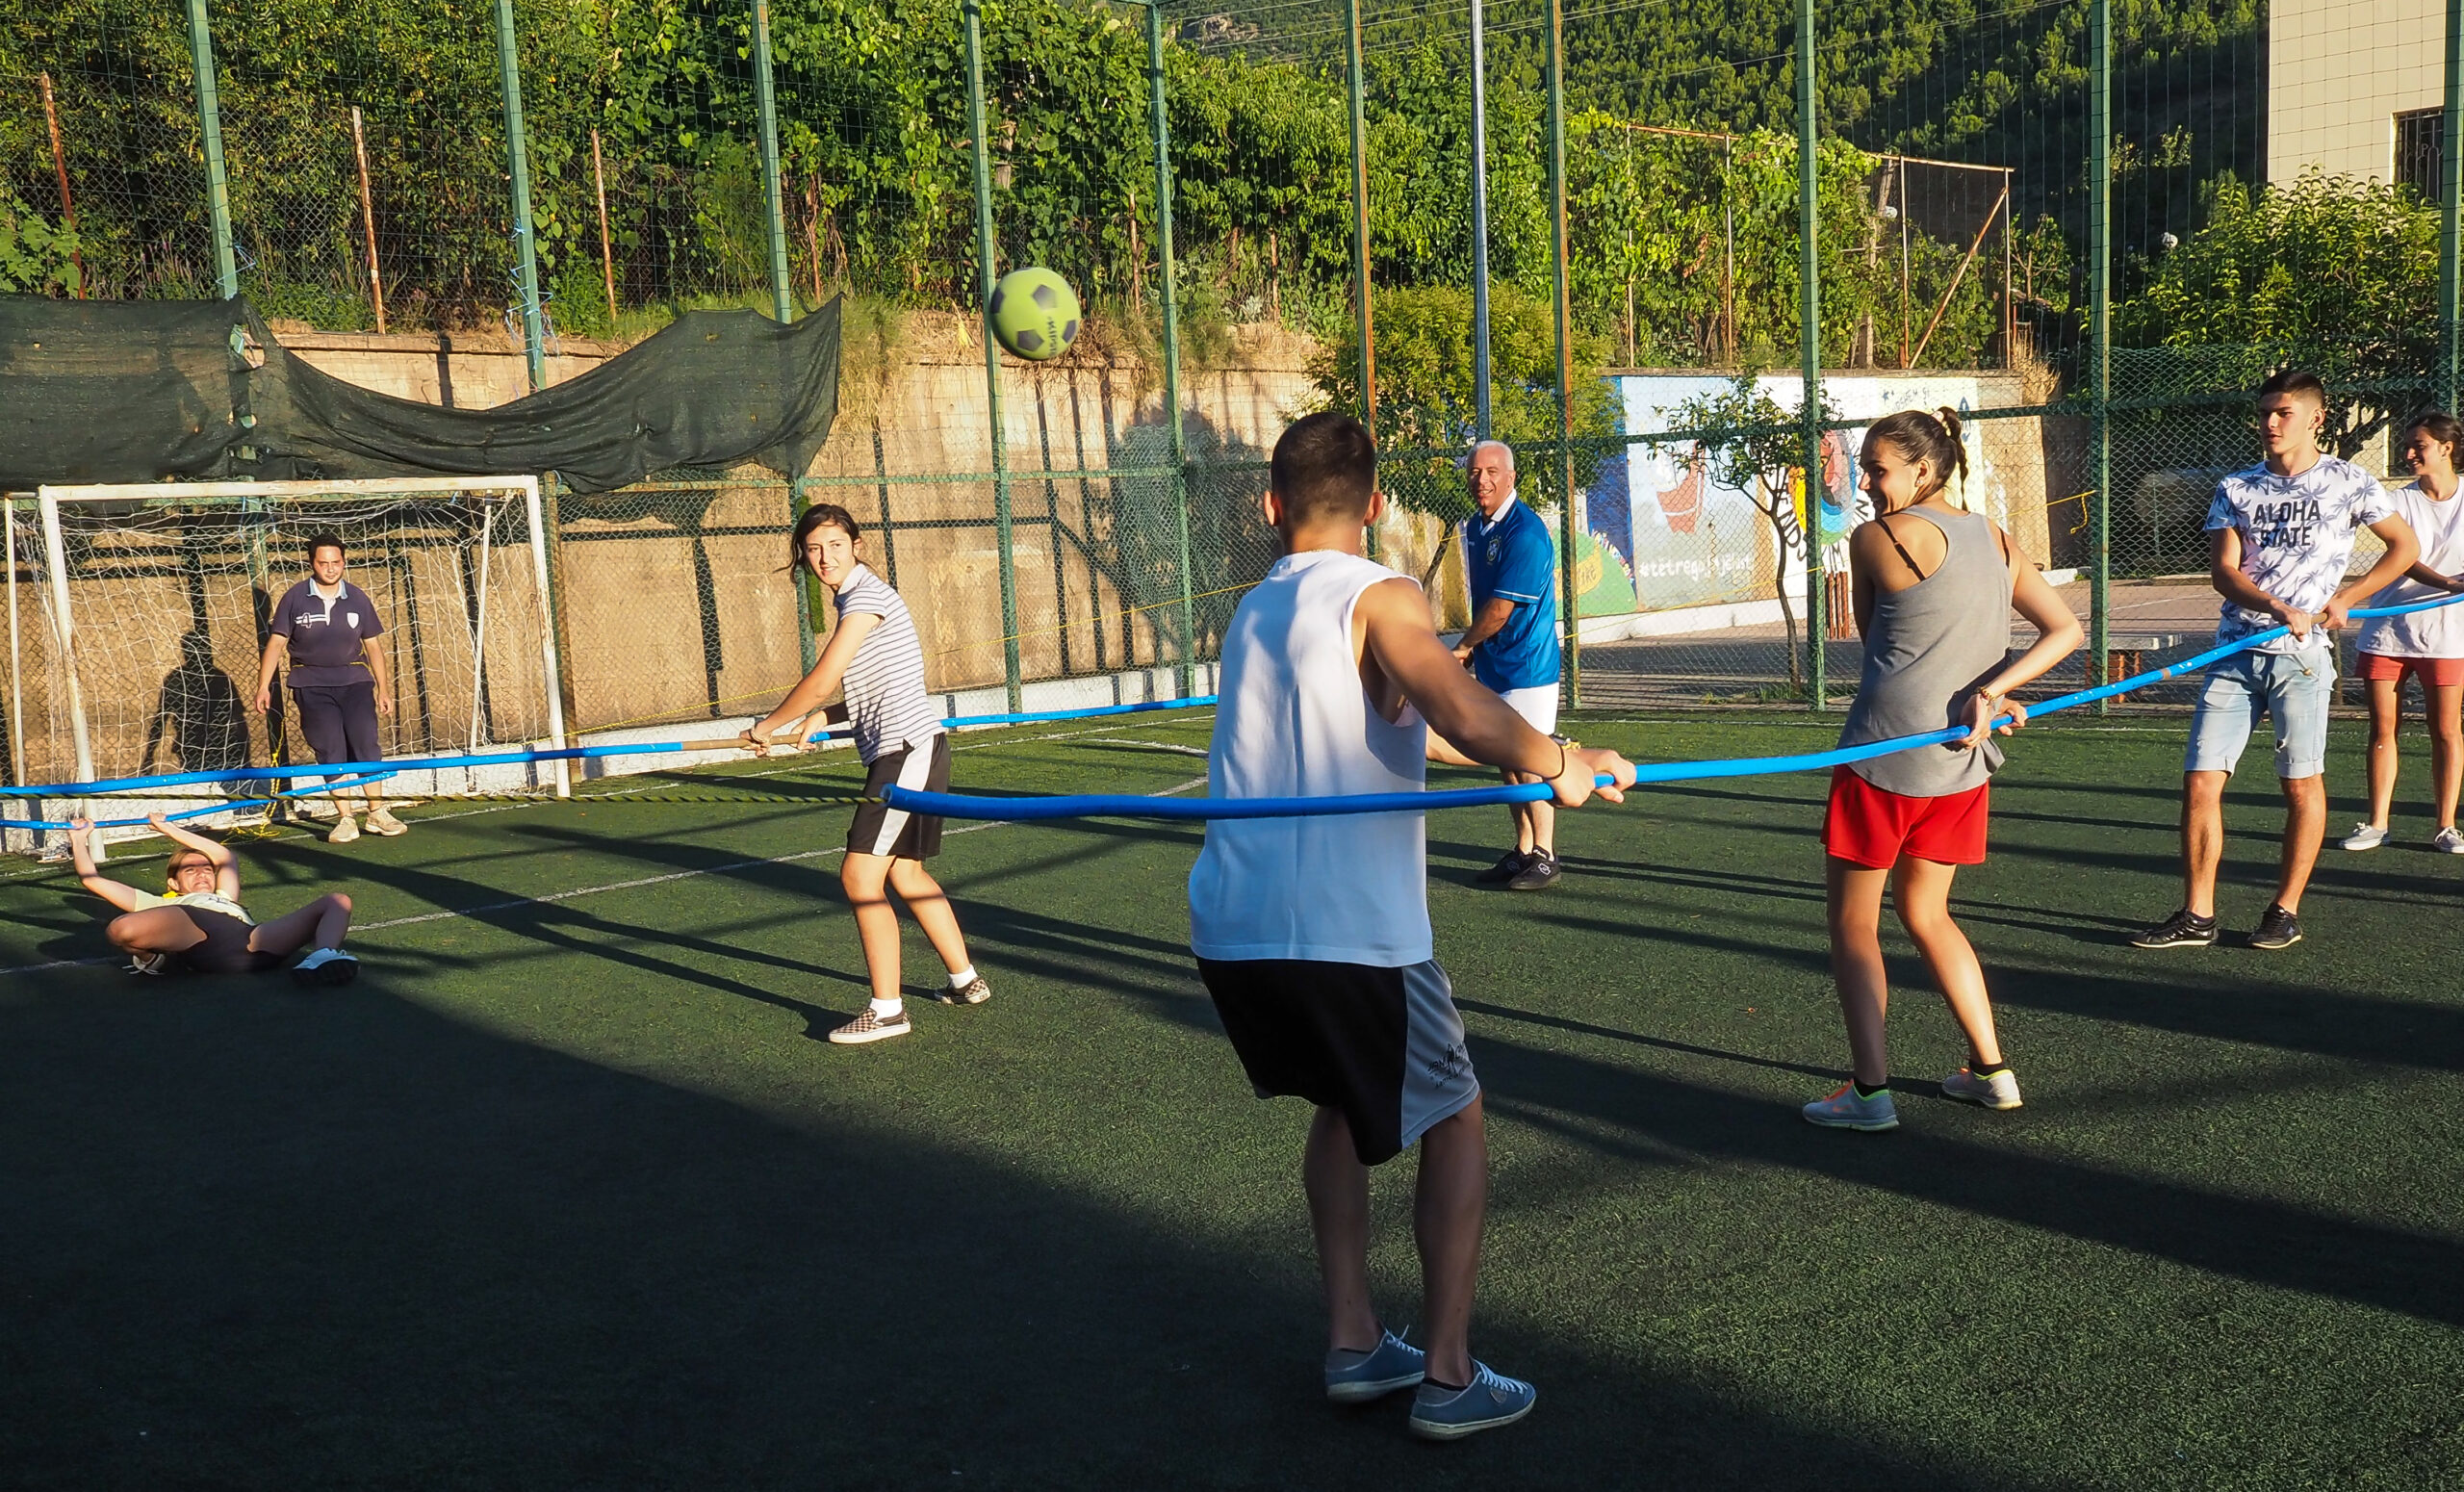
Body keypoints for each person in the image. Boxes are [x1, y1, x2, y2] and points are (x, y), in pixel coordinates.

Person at [1188, 412, 1635, 1440]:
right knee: (1457, 1113)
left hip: (1234, 932)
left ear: (1270, 506)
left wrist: (1551, 753)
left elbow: (1400, 725)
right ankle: (1448, 1373)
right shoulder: (1382, 595)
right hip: (1351, 933)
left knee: (1339, 1104)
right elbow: (1460, 707)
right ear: (1378, 503)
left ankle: (1354, 1342)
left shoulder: (1253, 609)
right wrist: (1560, 761)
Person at [1802, 409, 2081, 1133]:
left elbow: (1875, 644)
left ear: (1923, 470)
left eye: (1877, 470)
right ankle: (1991, 1070)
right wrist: (1996, 690)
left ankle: (1870, 1093)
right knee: (1928, 913)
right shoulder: (1995, 536)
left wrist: (1986, 688)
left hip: (1881, 757)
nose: (1866, 485)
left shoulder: (1878, 538)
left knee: (1853, 925)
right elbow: (2065, 630)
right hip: (1961, 764)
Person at [2133, 370, 2420, 952]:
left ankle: (2284, 910)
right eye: (2265, 412)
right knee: (2200, 781)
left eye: (2283, 412)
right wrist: (2273, 604)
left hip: (2303, 660)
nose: (2270, 422)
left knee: (2300, 783)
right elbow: (2223, 572)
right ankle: (2197, 914)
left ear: (2315, 418)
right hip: (2235, 653)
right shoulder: (2236, 487)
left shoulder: (2350, 481)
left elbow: (2405, 547)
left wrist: (2348, 598)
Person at [742, 503, 989, 1044]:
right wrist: (823, 718)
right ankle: (965, 980)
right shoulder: (857, 598)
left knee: (859, 876)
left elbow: (824, 677)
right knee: (906, 874)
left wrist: (768, 725)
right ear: (802, 555)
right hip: (914, 748)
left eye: (835, 545)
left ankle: (888, 1012)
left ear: (857, 545)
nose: (824, 557)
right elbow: (874, 687)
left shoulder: (865, 598)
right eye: (813, 548)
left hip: (906, 753)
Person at [2341, 410, 2464, 855]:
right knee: (2382, 728)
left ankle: (2446, 826)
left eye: (2419, 446)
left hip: (2448, 635)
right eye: (2407, 446)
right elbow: (2403, 556)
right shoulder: (2396, 501)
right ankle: (2377, 823)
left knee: (2446, 730)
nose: (2409, 454)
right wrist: (2449, 583)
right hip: (2389, 632)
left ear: (2447, 448)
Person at [1450, 440, 1566, 890]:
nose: (1482, 480)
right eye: (1475, 471)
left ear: (1511, 476)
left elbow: (1500, 609)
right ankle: (1523, 850)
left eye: (1492, 471)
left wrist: (1463, 647)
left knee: (1530, 761)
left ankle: (1546, 855)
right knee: (1507, 761)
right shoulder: (1477, 527)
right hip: (1496, 665)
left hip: (1528, 668)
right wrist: (1476, 651)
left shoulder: (1526, 533)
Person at [66, 811, 358, 986]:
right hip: (201, 942)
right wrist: (79, 839)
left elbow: (224, 857)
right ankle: (150, 959)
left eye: (206, 869)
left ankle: (321, 957)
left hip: (255, 943)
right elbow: (92, 880)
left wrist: (168, 828)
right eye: (190, 870)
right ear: (173, 883)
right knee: (121, 929)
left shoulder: (225, 896)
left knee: (337, 901)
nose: (202, 873)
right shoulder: (160, 904)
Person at [255, 533, 406, 845]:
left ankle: (377, 813)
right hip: (311, 685)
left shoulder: (357, 598)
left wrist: (383, 688)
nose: (330, 568)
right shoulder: (294, 598)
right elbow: (277, 644)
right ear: (312, 563)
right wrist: (263, 687)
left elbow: (373, 646)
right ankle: (346, 819)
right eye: (323, 563)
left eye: (336, 562)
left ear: (344, 562)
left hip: (355, 683)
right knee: (330, 749)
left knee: (366, 744)